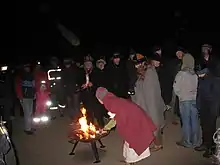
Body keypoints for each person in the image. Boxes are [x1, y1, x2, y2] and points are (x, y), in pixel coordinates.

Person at [96, 87, 156, 165]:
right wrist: (107, 128)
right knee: (128, 142)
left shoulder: (109, 103)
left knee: (133, 141)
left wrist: (106, 128)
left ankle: (130, 162)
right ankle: (128, 159)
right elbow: (117, 116)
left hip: (134, 122)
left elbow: (116, 118)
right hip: (137, 116)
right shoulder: (111, 99)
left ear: (100, 99)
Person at [131, 54, 166, 152]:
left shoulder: (150, 73)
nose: (135, 66)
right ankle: (155, 143)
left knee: (155, 123)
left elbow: (151, 92)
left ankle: (158, 144)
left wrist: (149, 107)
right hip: (146, 103)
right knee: (150, 124)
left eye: (137, 64)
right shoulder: (143, 73)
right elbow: (140, 88)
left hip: (152, 103)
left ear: (142, 63)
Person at [173, 53, 200, 148]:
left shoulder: (181, 74)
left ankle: (187, 141)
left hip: (185, 100)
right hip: (194, 100)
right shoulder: (195, 75)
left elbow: (176, 88)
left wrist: (181, 95)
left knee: (186, 121)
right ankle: (196, 141)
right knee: (195, 121)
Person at [16, 64, 35, 135]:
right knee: (27, 113)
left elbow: (33, 86)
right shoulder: (20, 76)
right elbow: (18, 87)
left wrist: (34, 94)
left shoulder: (31, 75)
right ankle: (27, 129)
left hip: (30, 96)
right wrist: (20, 96)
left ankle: (29, 127)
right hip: (24, 97)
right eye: (26, 67)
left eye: (28, 67)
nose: (28, 68)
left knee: (30, 113)